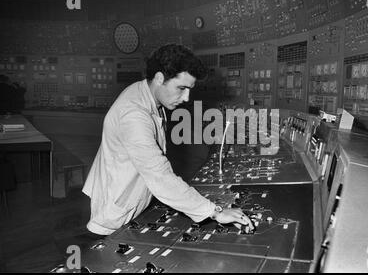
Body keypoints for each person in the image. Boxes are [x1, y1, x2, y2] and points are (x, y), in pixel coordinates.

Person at [82, 44, 253, 236]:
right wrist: (216, 212)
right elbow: (160, 176)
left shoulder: (147, 94)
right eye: (181, 88)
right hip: (115, 212)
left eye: (189, 89)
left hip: (133, 198)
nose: (186, 97)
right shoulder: (133, 114)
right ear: (159, 78)